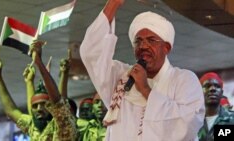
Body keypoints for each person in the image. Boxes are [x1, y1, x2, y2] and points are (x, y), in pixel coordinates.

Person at [79, 0, 205, 140]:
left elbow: (188, 124)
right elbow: (91, 54)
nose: (143, 46)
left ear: (166, 48)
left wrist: (145, 89)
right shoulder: (121, 77)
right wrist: (113, 4)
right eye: (138, 41)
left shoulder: (184, 80)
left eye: (151, 40)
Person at [0, 40, 77, 141]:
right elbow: (12, 111)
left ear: (51, 107)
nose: (39, 109)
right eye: (35, 106)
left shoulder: (63, 126)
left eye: (44, 104)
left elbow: (58, 101)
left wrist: (39, 63)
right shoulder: (34, 128)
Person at [198, 72, 234, 141]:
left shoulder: (232, 119)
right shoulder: (192, 122)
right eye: (207, 86)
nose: (212, 89)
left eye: (217, 86)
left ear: (222, 93)